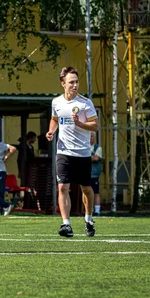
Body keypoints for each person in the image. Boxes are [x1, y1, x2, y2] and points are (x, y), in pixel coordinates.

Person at [46, 66, 99, 238]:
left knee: (86, 188)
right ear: (63, 84)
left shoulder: (85, 103)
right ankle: (66, 224)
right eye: (71, 82)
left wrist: (81, 125)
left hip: (82, 152)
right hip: (63, 151)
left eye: (76, 82)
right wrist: (51, 131)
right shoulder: (56, 102)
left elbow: (96, 125)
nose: (75, 85)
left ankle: (89, 219)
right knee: (63, 187)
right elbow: (55, 119)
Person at [90, 132, 103, 216]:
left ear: (94, 138)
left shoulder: (97, 148)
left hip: (94, 174)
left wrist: (86, 157)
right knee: (86, 192)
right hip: (85, 174)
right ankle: (88, 210)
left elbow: (96, 158)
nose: (90, 138)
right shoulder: (84, 147)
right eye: (89, 136)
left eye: (92, 136)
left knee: (95, 192)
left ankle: (97, 211)